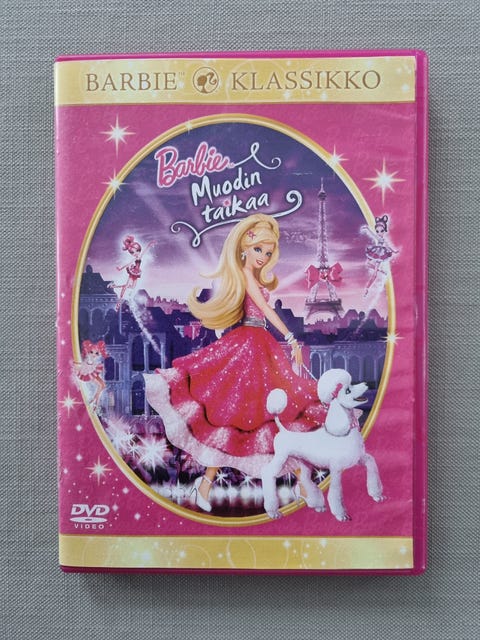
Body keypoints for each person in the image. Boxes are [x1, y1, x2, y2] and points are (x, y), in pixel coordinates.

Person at [144, 213, 327, 512]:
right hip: (249, 345)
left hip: (259, 345)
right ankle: (211, 485)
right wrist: (291, 338)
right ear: (244, 247)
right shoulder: (244, 275)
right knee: (238, 415)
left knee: (270, 413)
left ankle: (297, 481)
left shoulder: (251, 276)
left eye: (268, 252)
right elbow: (264, 308)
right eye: (259, 249)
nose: (263, 257)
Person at [108, 235, 155, 311]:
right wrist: (120, 268)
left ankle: (115, 286)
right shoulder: (134, 259)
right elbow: (128, 264)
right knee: (126, 287)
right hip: (132, 273)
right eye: (132, 252)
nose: (135, 253)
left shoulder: (139, 257)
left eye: (137, 251)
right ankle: (118, 303)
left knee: (132, 287)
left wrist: (149, 245)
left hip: (136, 273)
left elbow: (144, 251)